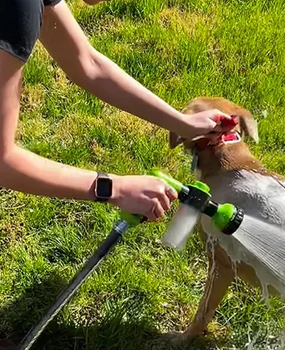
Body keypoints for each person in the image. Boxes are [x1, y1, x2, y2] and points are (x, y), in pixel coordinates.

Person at [0, 0, 231, 222]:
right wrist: (114, 189)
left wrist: (183, 124)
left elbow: (88, 65)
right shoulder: (14, 11)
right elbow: (3, 161)